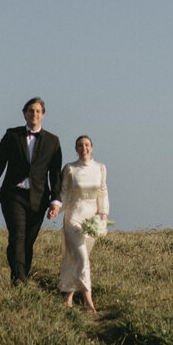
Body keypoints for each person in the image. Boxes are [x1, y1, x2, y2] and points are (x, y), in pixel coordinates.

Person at [0, 97, 63, 287]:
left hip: (39, 197)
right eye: (30, 111)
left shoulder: (53, 141)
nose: (33, 114)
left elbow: (55, 173)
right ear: (24, 114)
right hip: (14, 195)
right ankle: (19, 279)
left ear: (42, 115)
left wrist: (56, 200)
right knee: (17, 235)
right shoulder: (12, 136)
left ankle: (21, 275)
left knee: (28, 240)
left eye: (37, 111)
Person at [58, 134, 109, 314]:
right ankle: (89, 301)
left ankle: (68, 296)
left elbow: (102, 192)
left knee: (76, 256)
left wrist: (103, 215)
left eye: (87, 145)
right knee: (82, 258)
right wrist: (56, 207)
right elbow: (64, 192)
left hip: (92, 219)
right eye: (80, 145)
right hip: (74, 216)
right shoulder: (70, 168)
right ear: (76, 149)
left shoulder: (100, 168)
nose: (84, 148)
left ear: (92, 147)